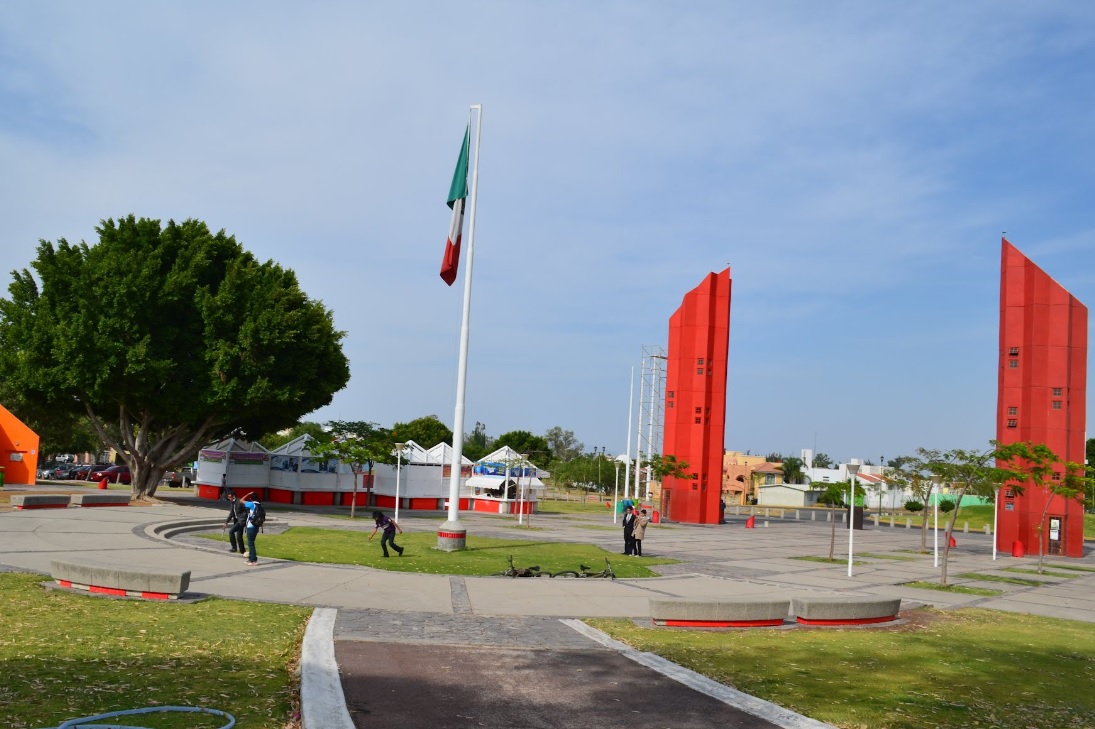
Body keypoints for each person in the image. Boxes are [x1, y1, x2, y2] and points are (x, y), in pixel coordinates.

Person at [224, 490, 248, 554]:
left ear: (234, 496)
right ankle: (242, 551)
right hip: (237, 520)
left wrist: (244, 518)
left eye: (230, 497)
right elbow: (231, 513)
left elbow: (246, 510)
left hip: (241, 521)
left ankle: (234, 547)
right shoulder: (232, 503)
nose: (229, 499)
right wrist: (226, 522)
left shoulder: (240, 502)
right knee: (239, 536)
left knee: (231, 531)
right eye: (228, 497)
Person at [241, 492, 262, 566]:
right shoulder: (259, 505)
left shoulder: (252, 504)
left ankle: (253, 560)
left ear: (251, 498)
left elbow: (242, 500)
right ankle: (251, 558)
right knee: (251, 543)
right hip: (256, 526)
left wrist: (247, 494)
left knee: (251, 543)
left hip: (251, 526)